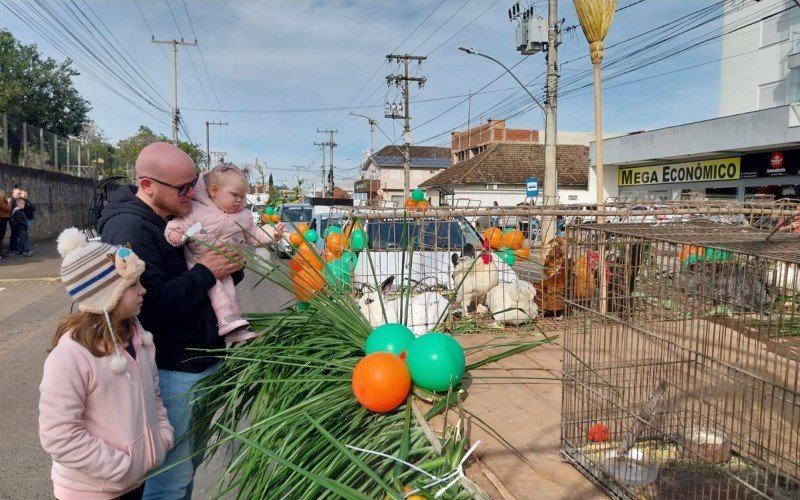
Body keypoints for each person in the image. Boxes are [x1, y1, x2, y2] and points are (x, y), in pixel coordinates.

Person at [98, 142, 243, 500]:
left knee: (186, 466)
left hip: (199, 361)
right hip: (172, 368)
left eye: (194, 182)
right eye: (183, 187)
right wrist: (208, 273)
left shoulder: (173, 217)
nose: (193, 193)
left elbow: (203, 277)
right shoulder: (131, 227)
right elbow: (148, 308)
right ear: (147, 186)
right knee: (169, 477)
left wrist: (226, 268)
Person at [39, 227, 173, 500]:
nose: (143, 289)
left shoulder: (139, 339)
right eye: (132, 284)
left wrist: (162, 439)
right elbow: (59, 436)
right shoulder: (70, 356)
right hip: (91, 491)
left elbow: (154, 396)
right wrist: (123, 467)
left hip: (135, 481)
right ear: (104, 294)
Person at [165, 163, 283, 344]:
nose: (239, 200)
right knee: (218, 293)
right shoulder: (197, 210)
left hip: (225, 266)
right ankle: (229, 325)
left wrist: (272, 234)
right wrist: (174, 233)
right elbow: (180, 224)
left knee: (230, 295)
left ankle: (233, 328)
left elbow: (254, 235)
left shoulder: (244, 217)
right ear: (213, 190)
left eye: (242, 196)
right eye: (234, 195)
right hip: (198, 262)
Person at [8, 187, 21, 254]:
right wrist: (13, 219)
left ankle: (15, 248)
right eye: (17, 193)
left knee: (16, 234)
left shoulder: (17, 200)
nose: (19, 195)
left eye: (19, 193)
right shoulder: (11, 200)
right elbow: (9, 211)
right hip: (13, 219)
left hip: (16, 219)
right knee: (14, 234)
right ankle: (13, 249)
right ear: (13, 193)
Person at [0, 190, 10, 258]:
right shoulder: (1, 201)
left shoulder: (3, 201)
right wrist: (9, 202)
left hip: (4, 218)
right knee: (1, 236)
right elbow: (7, 208)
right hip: (2, 219)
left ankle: (2, 252)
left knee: (1, 237)